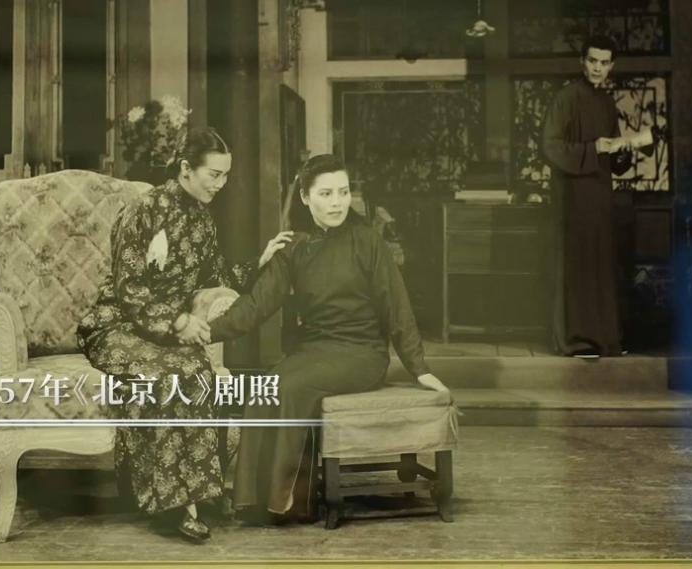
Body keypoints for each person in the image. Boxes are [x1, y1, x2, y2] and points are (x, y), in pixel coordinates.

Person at [202, 154, 450, 523]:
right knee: (265, 387)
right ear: (305, 197)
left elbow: (397, 309)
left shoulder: (368, 242)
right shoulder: (292, 248)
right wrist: (207, 331)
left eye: (344, 192)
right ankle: (254, 500)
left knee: (291, 387)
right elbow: (256, 305)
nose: (337, 202)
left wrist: (420, 369)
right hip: (313, 350)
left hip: (361, 353)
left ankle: (285, 502)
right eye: (326, 194)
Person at [75, 127, 294, 543]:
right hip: (116, 325)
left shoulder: (203, 220)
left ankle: (199, 492)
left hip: (162, 330)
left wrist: (261, 261)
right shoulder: (143, 209)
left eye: (225, 176)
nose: (221, 184)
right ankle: (176, 505)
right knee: (168, 374)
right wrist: (177, 321)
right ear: (185, 169)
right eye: (214, 174)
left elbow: (216, 277)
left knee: (195, 369)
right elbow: (129, 287)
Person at [541, 35, 649, 358]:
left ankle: (604, 339)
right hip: (573, 197)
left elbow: (613, 159)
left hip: (601, 196)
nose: (597, 68)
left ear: (611, 65)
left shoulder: (606, 103)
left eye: (604, 63)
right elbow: (549, 147)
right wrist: (593, 148)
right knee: (578, 265)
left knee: (601, 267)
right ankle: (578, 340)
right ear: (582, 61)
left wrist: (626, 148)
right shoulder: (565, 98)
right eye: (592, 61)